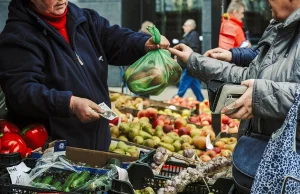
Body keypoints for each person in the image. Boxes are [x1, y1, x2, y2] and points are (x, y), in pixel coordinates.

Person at [0, 0, 170, 151]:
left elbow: (116, 39)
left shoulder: (84, 19)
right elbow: (21, 91)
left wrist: (143, 43)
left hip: (95, 145)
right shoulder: (18, 37)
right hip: (53, 152)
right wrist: (70, 104)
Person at [169, 0, 300, 192]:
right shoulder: (278, 29)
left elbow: (258, 87)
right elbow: (248, 78)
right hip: (257, 171)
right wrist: (194, 60)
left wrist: (260, 95)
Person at [176, 19, 204, 102]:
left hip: (189, 65)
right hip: (190, 65)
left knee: (182, 86)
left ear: (191, 26)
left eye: (185, 25)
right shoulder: (189, 35)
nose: (183, 27)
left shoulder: (193, 35)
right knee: (195, 85)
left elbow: (193, 49)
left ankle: (175, 101)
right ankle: (201, 101)